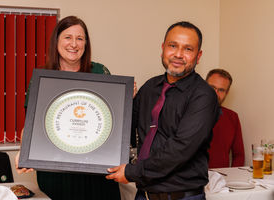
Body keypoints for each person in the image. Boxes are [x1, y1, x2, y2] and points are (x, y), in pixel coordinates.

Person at [106, 21, 219, 200]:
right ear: (163, 48)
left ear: (198, 56)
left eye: (188, 49)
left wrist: (132, 172)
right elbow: (123, 130)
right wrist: (120, 102)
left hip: (182, 197)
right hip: (144, 195)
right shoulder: (150, 88)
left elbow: (180, 149)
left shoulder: (204, 96)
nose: (178, 54)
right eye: (172, 46)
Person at [15, 16, 123, 200]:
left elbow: (111, 117)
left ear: (86, 43)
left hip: (95, 170)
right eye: (68, 37)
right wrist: (24, 150)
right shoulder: (42, 79)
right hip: (57, 172)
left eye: (80, 38)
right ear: (56, 40)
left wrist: (124, 99)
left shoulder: (100, 72)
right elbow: (31, 124)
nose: (74, 44)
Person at [206, 69, 245, 168]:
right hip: (190, 180)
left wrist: (232, 177)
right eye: (212, 87)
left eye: (221, 90)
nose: (215, 93)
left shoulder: (232, 117)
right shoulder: (187, 112)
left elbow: (239, 155)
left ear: (227, 93)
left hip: (222, 179)